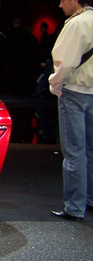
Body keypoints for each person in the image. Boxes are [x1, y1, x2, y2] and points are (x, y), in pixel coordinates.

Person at [49, 0, 93, 221]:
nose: (60, 4)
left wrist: (55, 85)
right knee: (91, 150)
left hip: (75, 92)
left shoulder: (76, 24)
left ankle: (75, 207)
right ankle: (90, 200)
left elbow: (64, 64)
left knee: (74, 151)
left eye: (64, 0)